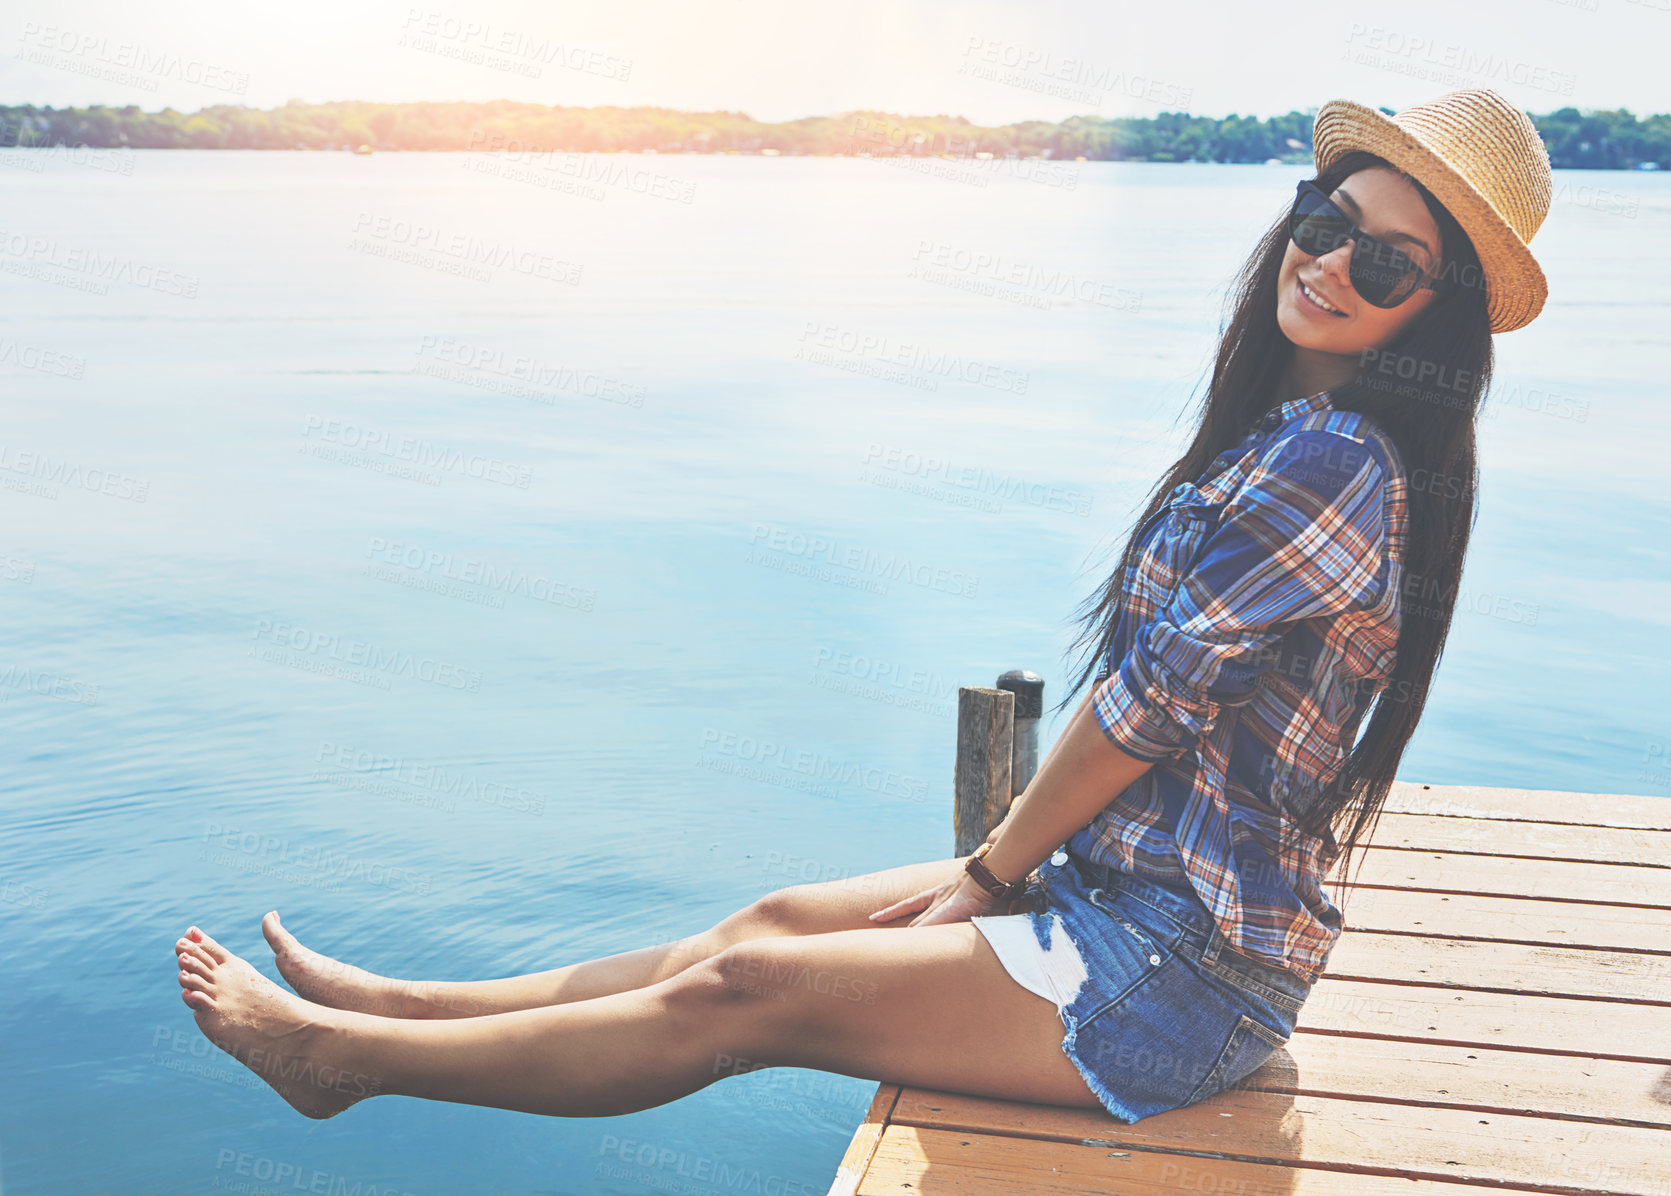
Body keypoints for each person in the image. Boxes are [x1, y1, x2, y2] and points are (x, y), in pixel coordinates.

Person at [173, 88, 1555, 1124]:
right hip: (1118, 897)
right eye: (1325, 224)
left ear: (1430, 317)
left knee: (747, 998)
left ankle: (338, 1061)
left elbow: (1139, 717)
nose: (1328, 263)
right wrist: (1021, 876)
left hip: (1181, 982)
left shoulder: (1330, 463)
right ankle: (402, 1007)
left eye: (1384, 262)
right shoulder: (1286, 434)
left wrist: (988, 874)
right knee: (764, 922)